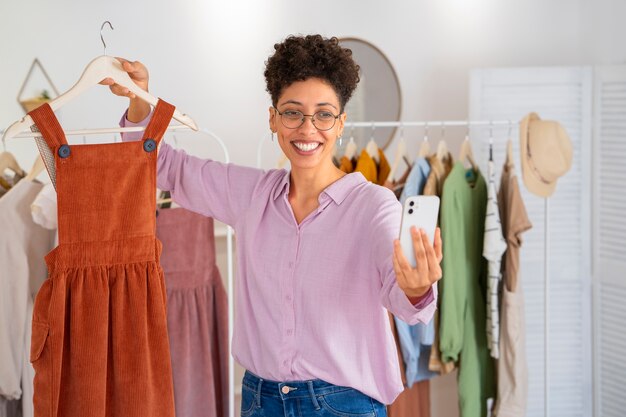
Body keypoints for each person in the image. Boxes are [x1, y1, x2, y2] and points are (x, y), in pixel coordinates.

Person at [102, 34, 442, 417]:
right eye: (293, 112)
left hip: (343, 405)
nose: (308, 128)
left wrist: (414, 288)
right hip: (260, 401)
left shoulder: (374, 206)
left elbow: (404, 301)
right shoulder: (250, 195)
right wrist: (138, 100)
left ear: (342, 122)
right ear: (273, 118)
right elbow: (165, 166)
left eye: (324, 114)